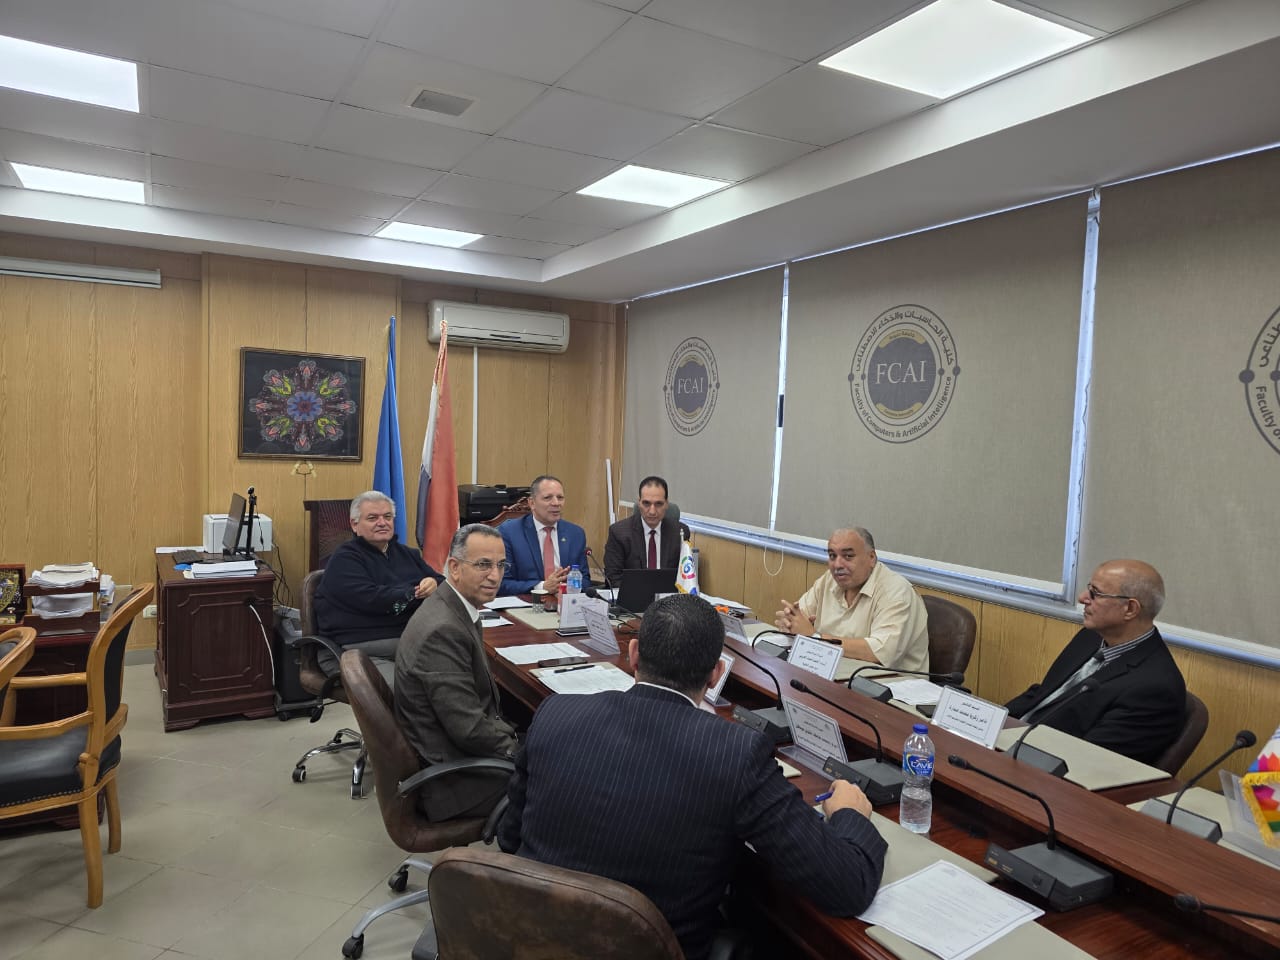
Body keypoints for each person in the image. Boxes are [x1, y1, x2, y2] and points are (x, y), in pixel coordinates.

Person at [499, 594, 887, 960]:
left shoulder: (555, 712)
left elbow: (510, 837)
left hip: (526, 941)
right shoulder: (737, 754)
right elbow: (846, 887)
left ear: (633, 655)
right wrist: (849, 813)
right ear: (717, 673)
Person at [1006, 559, 1186, 764]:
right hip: (1010, 745)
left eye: (1095, 593)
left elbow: (1087, 760)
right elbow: (1043, 694)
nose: (1082, 598)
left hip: (1040, 766)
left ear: (1130, 609)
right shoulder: (1090, 637)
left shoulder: (1155, 689)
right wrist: (991, 721)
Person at [395, 523, 518, 822]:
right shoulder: (443, 630)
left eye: (501, 565)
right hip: (454, 779)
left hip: (456, 750)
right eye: (483, 565)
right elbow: (470, 730)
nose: (495, 576)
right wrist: (524, 754)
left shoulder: (453, 605)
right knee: (568, 778)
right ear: (454, 567)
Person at [313, 491, 443, 685]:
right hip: (359, 649)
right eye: (373, 518)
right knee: (411, 693)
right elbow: (374, 600)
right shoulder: (344, 558)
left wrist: (434, 583)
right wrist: (417, 593)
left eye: (387, 517)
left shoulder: (408, 554)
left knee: (457, 675)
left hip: (411, 639)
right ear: (354, 524)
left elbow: (443, 586)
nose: (382, 523)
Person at [775, 526, 929, 671]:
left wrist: (815, 638)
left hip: (888, 684)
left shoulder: (896, 592)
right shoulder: (829, 580)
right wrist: (790, 623)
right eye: (832, 556)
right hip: (836, 673)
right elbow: (799, 618)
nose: (837, 564)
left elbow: (880, 652)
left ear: (871, 558)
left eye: (848, 556)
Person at [498, 474, 590, 595]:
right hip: (527, 602)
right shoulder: (509, 532)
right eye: (548, 498)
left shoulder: (575, 534)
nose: (556, 503)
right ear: (532, 503)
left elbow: (585, 580)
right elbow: (502, 583)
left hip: (565, 601)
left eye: (560, 497)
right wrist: (542, 587)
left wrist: (567, 587)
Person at [602, 475, 690, 584]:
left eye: (658, 504)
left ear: (666, 504)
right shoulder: (619, 533)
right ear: (639, 503)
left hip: (668, 593)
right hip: (632, 592)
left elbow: (685, 577)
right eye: (646, 503)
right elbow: (613, 578)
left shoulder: (680, 533)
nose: (652, 511)